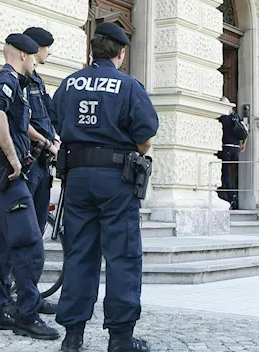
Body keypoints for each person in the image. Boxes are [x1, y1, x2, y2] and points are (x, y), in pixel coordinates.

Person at [52, 22, 158, 352]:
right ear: (121, 53)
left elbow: (57, 122)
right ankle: (120, 339)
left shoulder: (69, 84)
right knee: (122, 256)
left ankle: (73, 337)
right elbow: (145, 140)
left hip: (78, 179)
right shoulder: (128, 86)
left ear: (93, 50)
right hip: (116, 179)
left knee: (79, 254)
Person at [0, 33, 60, 341]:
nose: (38, 58)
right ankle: (27, 315)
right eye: (35, 55)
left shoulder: (17, 84)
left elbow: (15, 119)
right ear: (25, 55)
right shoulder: (7, 79)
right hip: (5, 171)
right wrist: (13, 157)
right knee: (28, 243)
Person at [216, 106, 249, 208]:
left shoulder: (222, 117)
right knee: (229, 173)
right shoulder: (235, 117)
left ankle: (232, 197)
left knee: (226, 174)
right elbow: (246, 131)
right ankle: (231, 195)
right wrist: (244, 144)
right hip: (236, 149)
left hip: (226, 148)